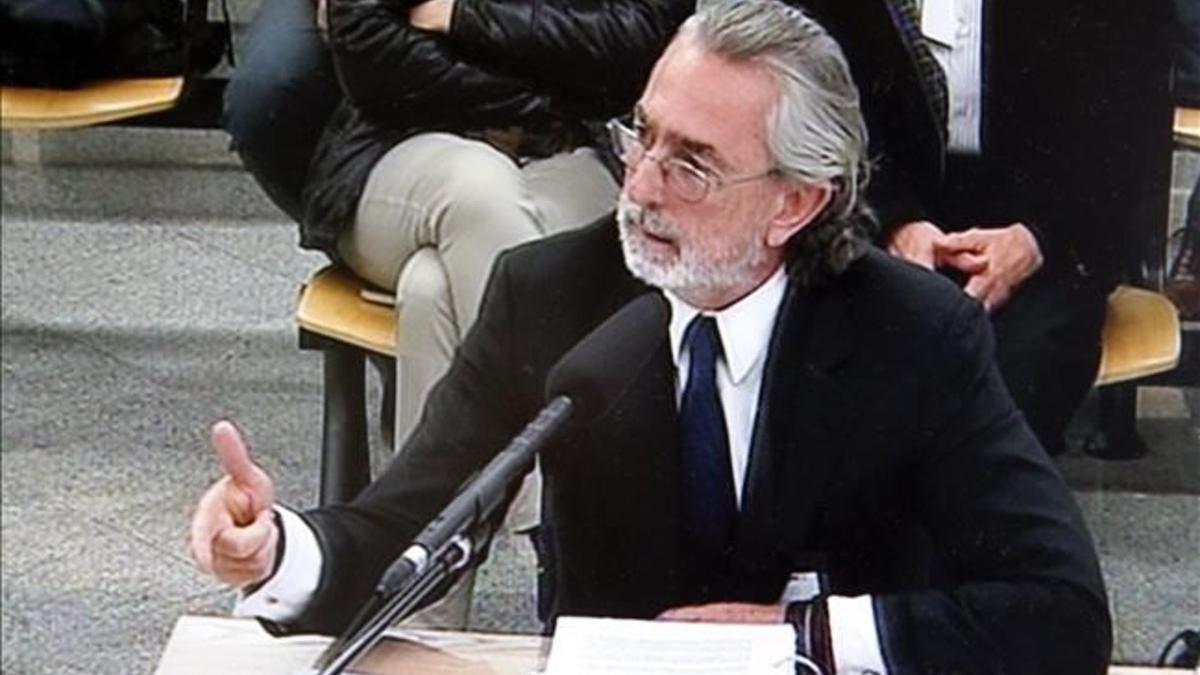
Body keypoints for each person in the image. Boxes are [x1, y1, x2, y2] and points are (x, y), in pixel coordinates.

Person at [191, 0, 1111, 670]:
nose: (644, 185)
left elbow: (1058, 611)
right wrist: (275, 549)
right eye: (643, 137)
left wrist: (810, 635)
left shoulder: (915, 333)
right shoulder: (550, 294)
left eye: (695, 164)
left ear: (797, 201)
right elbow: (403, 527)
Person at [224, 0, 692, 449]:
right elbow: (368, 41)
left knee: (430, 288)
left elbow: (642, 45)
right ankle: (541, 514)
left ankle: (426, 525)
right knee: (481, 191)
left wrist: (463, 14)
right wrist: (531, 97)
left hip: (568, 151)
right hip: (403, 144)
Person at [881, 0, 1175, 455]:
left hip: (1048, 231)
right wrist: (895, 222)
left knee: (998, 411)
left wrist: (1037, 238)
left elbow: (1128, 132)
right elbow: (816, 98)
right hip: (878, 222)